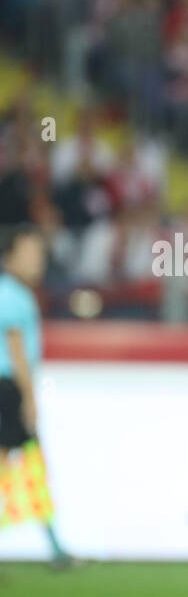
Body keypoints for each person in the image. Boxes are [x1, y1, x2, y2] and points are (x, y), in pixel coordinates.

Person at [0, 224, 70, 569]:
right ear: (9, 258)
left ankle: (57, 547)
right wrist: (29, 397)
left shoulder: (14, 294)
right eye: (29, 253)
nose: (37, 261)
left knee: (30, 468)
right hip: (7, 388)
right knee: (29, 467)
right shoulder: (12, 296)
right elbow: (15, 348)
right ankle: (56, 548)